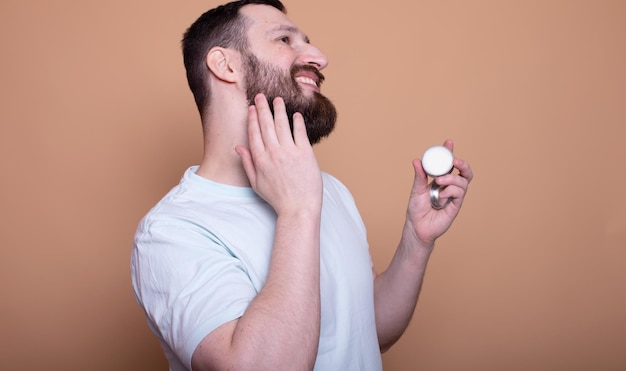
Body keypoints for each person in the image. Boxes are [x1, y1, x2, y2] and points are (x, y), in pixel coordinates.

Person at [130, 1, 473, 370]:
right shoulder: (172, 232)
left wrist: (416, 241)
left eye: (307, 42)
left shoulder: (328, 190)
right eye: (284, 39)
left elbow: (368, 328)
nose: (319, 57)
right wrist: (297, 211)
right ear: (225, 65)